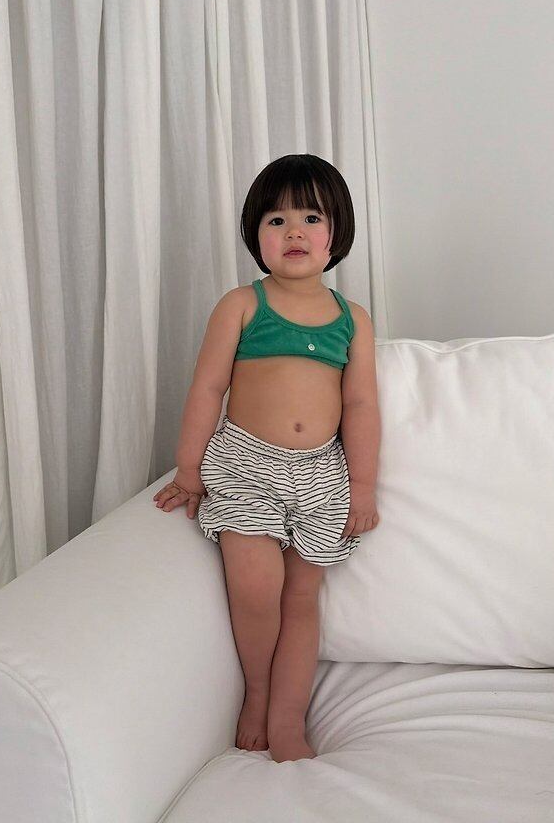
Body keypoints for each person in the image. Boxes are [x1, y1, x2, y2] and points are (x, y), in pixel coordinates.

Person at [153, 153, 381, 763]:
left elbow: (361, 405)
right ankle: (256, 694)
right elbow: (207, 389)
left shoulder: (352, 319)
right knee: (257, 590)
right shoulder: (242, 305)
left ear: (336, 233)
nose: (294, 231)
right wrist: (189, 468)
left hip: (321, 474)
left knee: (302, 599)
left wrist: (362, 488)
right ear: (256, 236)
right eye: (277, 221)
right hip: (246, 465)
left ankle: (287, 717)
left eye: (311, 217)